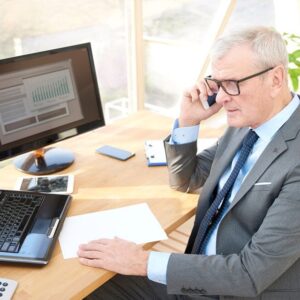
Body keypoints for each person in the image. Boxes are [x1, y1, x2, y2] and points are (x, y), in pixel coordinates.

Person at [77, 26, 300, 299]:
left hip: (239, 290)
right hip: (198, 277)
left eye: (232, 84)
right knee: (85, 288)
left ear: (276, 79)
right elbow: (187, 179)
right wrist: (188, 121)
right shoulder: (247, 121)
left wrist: (142, 262)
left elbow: (250, 273)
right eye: (217, 84)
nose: (220, 98)